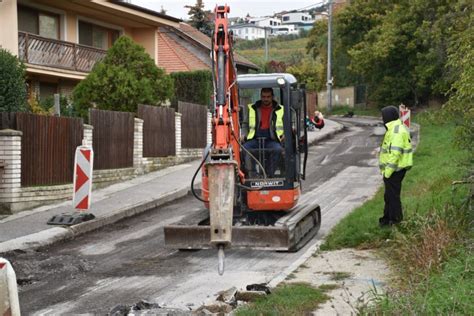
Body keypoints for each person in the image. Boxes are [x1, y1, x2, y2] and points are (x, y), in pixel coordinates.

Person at [379, 105, 413, 226]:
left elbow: (395, 153)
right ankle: (387, 218)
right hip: (395, 169)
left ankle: (396, 221)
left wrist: (387, 172)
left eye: (383, 117)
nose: (382, 119)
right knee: (389, 195)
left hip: (395, 170)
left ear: (388, 117)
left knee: (392, 196)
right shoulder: (394, 128)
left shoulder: (396, 131)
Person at [241, 88, 284, 176]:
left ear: (272, 97)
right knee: (245, 149)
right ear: (261, 96)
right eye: (263, 97)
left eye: (268, 97)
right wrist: (243, 134)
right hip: (255, 138)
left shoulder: (280, 109)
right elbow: (245, 123)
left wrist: (285, 134)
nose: (266, 99)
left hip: (272, 139)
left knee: (277, 149)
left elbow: (287, 123)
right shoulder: (253, 108)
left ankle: (268, 174)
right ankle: (252, 174)